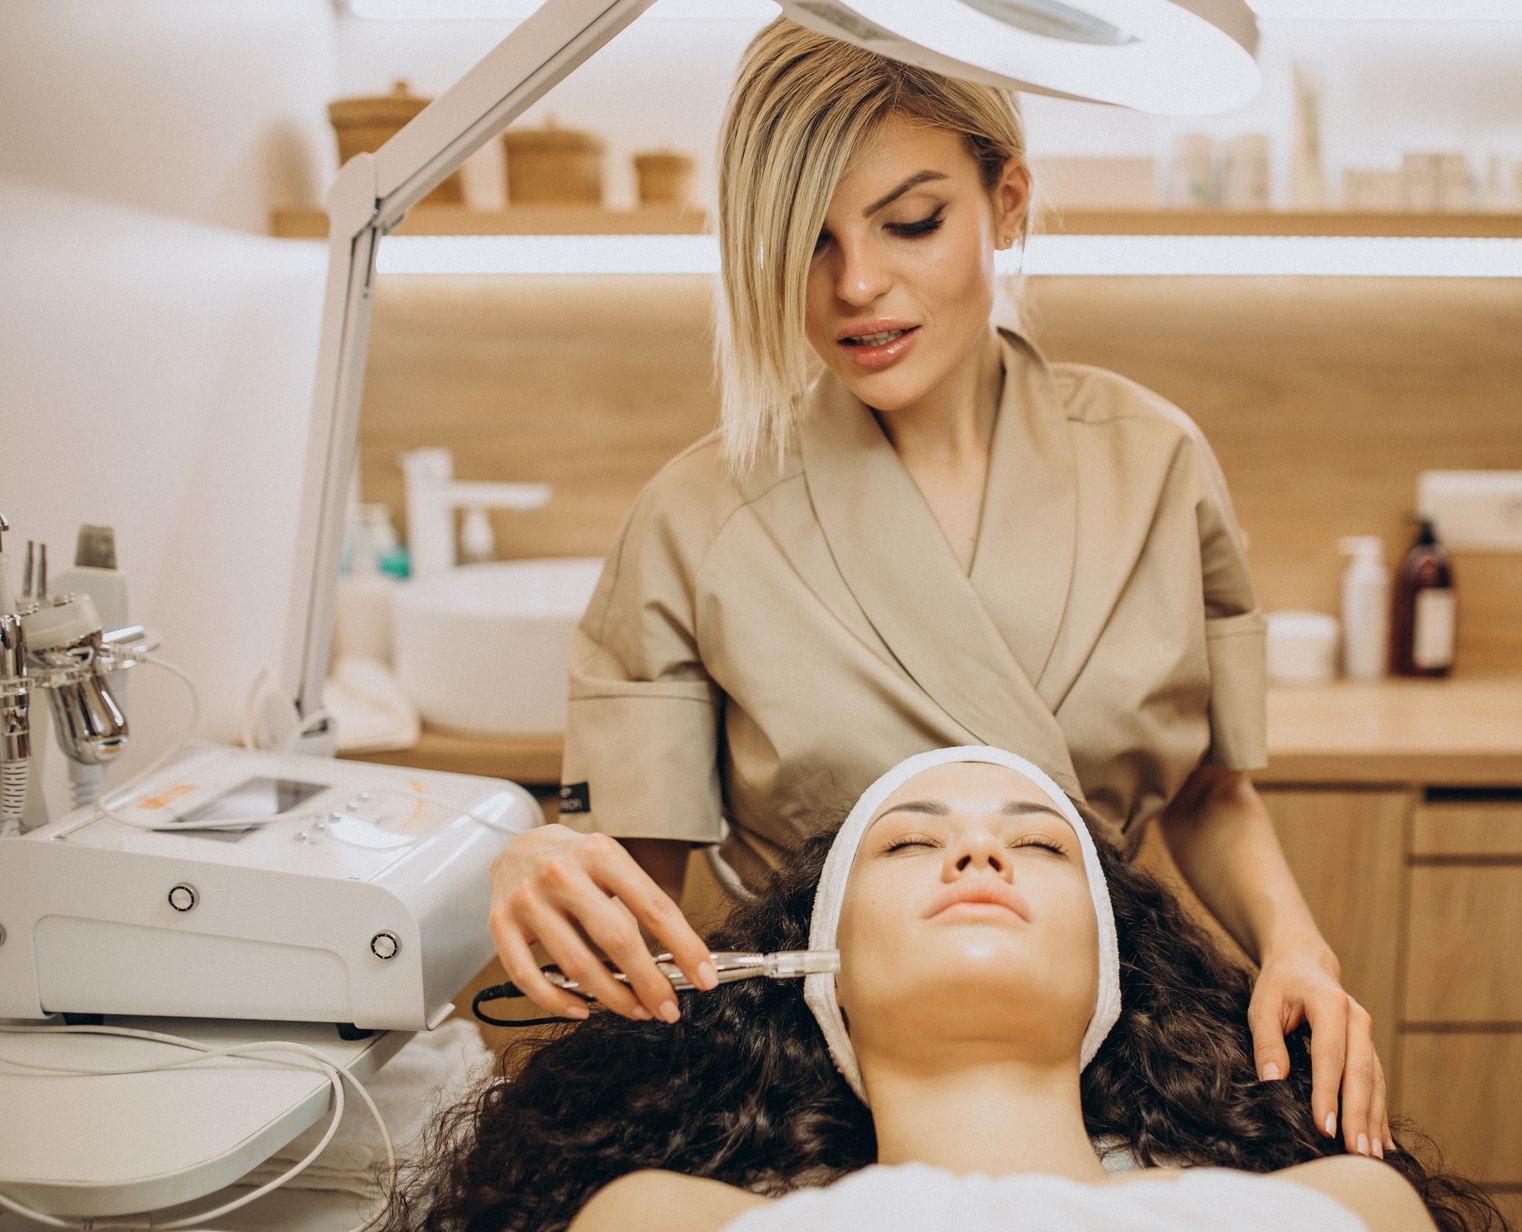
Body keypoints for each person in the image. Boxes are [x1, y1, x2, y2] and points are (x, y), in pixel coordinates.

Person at [489, 17, 1389, 1158]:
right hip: (804, 1095)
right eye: (807, 242)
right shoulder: (695, 518)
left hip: (1113, 1062)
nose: (857, 285)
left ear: (1005, 201)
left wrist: (1298, 947)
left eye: (911, 222)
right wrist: (537, 857)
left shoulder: (1154, 461)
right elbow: (634, 904)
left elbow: (1209, 789)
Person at [364, 750, 1522, 1232]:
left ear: (1113, 974)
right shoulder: (662, 1230)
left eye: (1037, 846)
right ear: (818, 972)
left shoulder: (1347, 1204)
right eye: (911, 841)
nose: (979, 846)